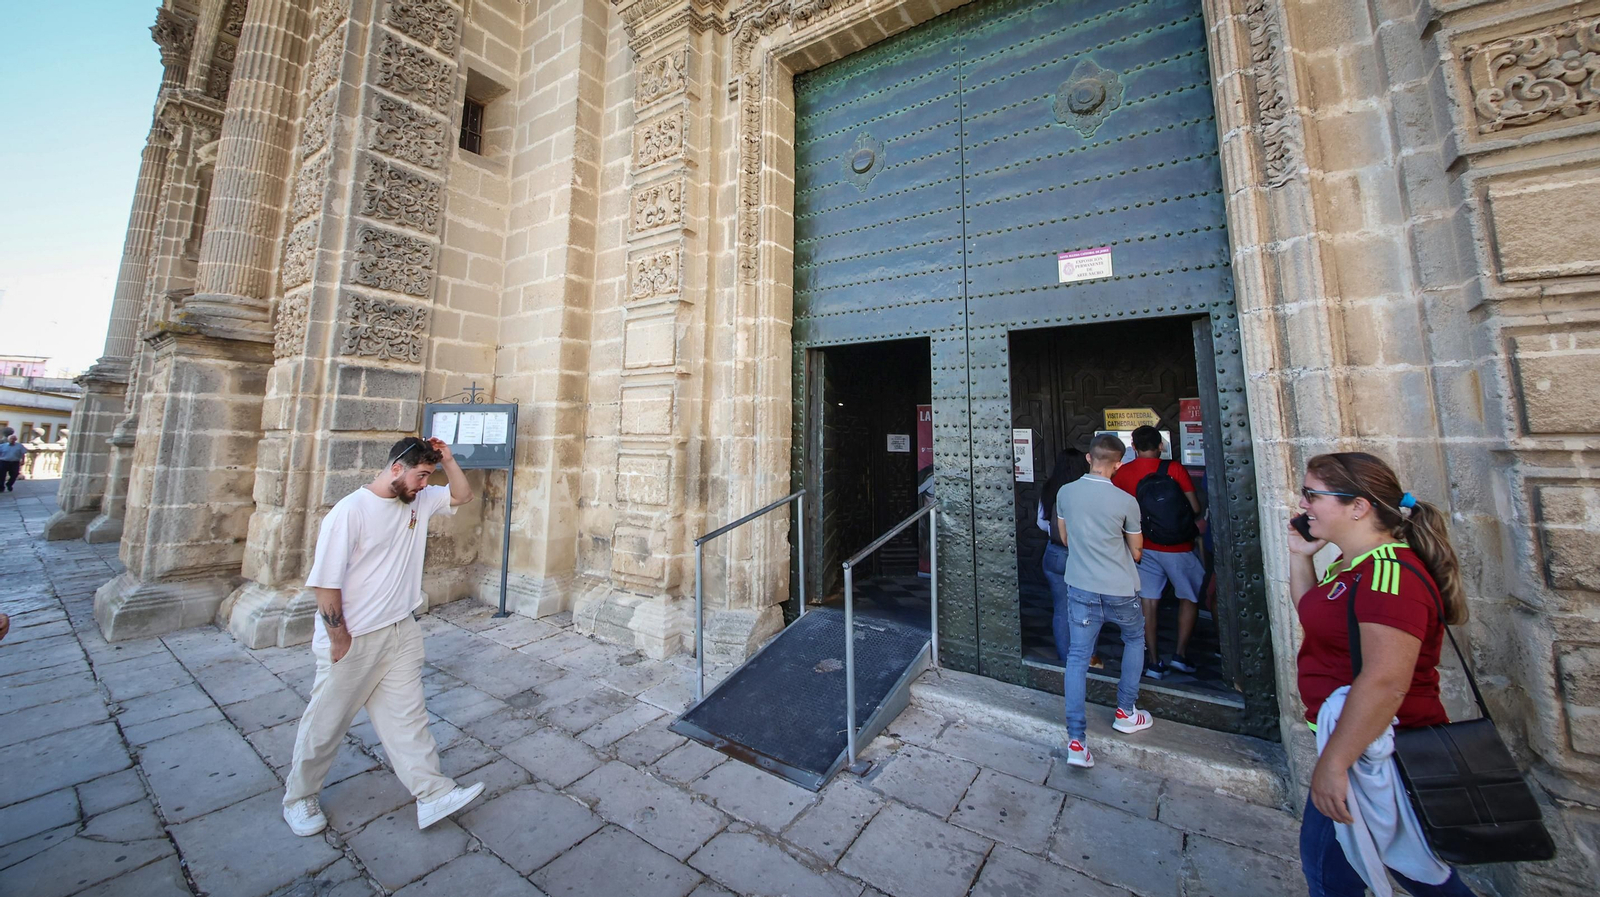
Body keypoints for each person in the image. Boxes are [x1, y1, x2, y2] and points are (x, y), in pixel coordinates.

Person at [1289, 452, 1478, 897]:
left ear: (1358, 506)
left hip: (1379, 751)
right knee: (1413, 871)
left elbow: (1385, 681)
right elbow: (1312, 613)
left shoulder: (1389, 576)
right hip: (1359, 745)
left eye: (1313, 495)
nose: (1303, 505)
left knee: (1335, 873)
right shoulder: (1351, 568)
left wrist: (1334, 763)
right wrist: (1301, 555)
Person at [282, 436, 484, 837]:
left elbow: (462, 495)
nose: (425, 484)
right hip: (355, 638)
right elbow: (325, 584)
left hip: (400, 630)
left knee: (408, 718)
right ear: (396, 469)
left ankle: (432, 794)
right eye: (420, 476)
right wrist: (339, 640)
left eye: (429, 477)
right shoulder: (349, 512)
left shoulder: (419, 500)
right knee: (326, 723)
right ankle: (298, 797)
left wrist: (447, 459)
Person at [1054, 433, 1154, 770]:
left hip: (1080, 585)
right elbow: (1137, 551)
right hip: (1120, 587)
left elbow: (1065, 538)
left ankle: (1077, 741)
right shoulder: (1126, 501)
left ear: (1089, 458)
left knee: (1078, 657)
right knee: (1134, 639)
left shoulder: (1065, 493)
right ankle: (1126, 711)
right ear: (1119, 463)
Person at [1111, 425, 1204, 679]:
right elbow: (1195, 507)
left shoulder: (1124, 473)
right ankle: (1180, 655)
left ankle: (1153, 661)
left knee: (1148, 603)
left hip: (1143, 546)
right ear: (1160, 446)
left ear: (1133, 447)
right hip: (1179, 547)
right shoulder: (1174, 469)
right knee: (1189, 598)